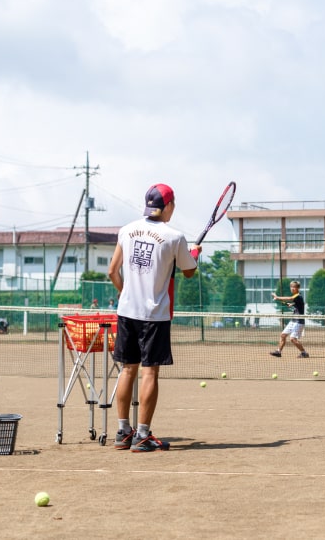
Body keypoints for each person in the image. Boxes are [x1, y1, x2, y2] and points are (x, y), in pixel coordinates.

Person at [109, 183, 199, 453]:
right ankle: (143, 435)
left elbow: (113, 271)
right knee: (150, 373)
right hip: (154, 316)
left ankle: (124, 432)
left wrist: (128, 295)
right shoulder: (175, 237)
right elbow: (189, 272)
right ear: (168, 206)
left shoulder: (126, 230)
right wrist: (194, 254)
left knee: (127, 370)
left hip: (127, 312)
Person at [269, 281, 309, 358]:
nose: (292, 288)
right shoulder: (296, 298)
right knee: (283, 335)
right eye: (291, 287)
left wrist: (277, 297)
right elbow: (294, 302)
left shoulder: (298, 296)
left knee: (293, 339)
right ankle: (278, 352)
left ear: (298, 288)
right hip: (293, 320)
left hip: (299, 321)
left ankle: (304, 353)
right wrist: (291, 304)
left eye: (294, 287)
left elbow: (290, 298)